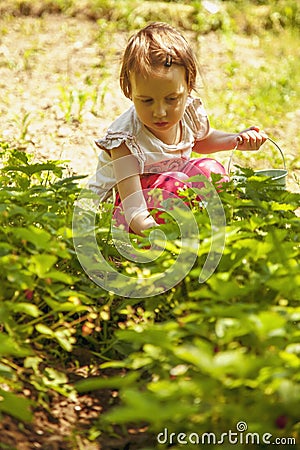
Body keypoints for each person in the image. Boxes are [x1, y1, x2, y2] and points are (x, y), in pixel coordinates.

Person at [89, 22, 267, 235]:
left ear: (188, 86)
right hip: (128, 208)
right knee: (181, 183)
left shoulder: (188, 113)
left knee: (212, 171)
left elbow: (202, 139)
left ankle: (217, 221)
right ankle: (182, 230)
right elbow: (133, 207)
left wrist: (235, 140)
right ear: (129, 90)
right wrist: (157, 236)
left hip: (168, 188)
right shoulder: (125, 140)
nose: (160, 112)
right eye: (146, 101)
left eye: (172, 99)